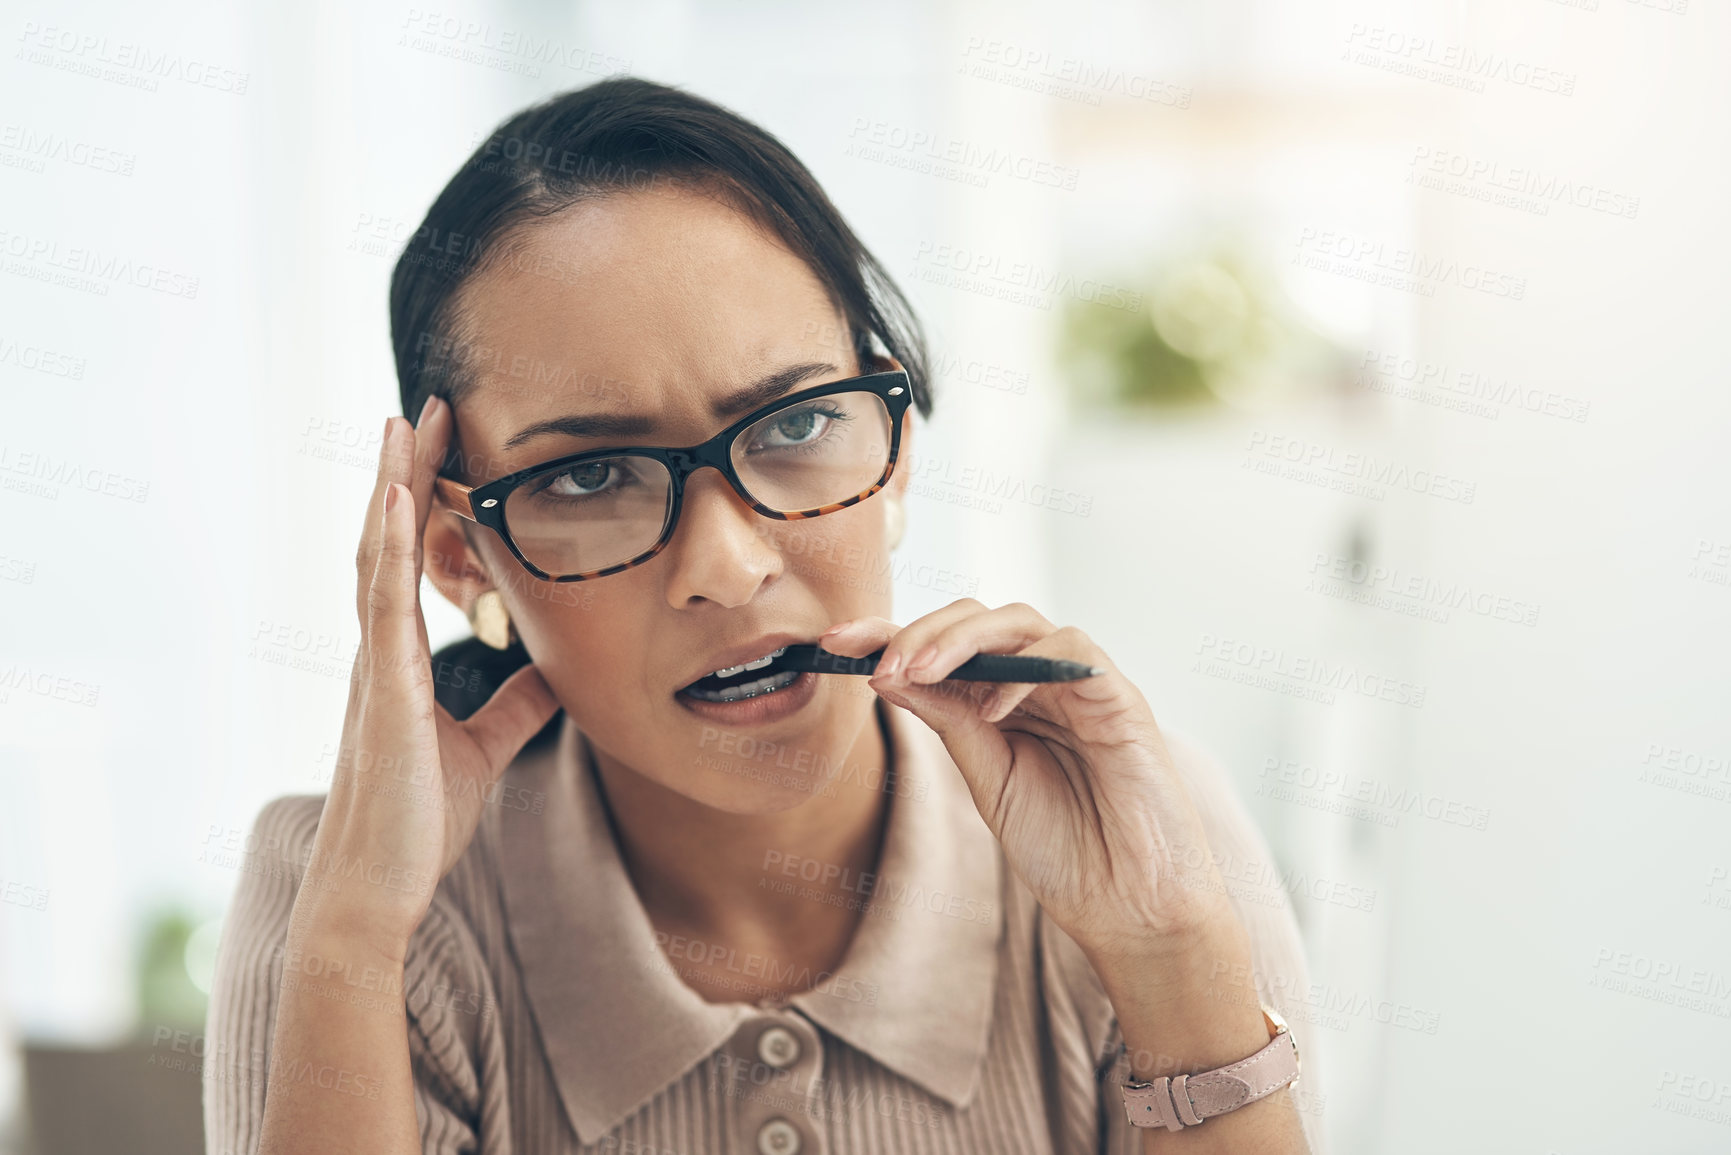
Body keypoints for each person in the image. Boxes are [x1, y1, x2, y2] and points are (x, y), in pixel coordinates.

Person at [204, 77, 1324, 1155]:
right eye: (592, 478)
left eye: (792, 429)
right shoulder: (343, 897)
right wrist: (353, 947)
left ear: (894, 462)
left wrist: (1171, 954)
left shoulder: (1144, 825)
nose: (729, 566)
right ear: (460, 557)